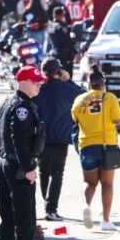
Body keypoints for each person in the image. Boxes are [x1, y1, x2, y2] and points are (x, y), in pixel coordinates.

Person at [0, 65, 47, 240]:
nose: (39, 86)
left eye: (40, 83)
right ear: (23, 83)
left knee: (8, 217)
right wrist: (28, 169)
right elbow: (18, 139)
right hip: (18, 166)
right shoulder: (22, 108)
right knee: (25, 219)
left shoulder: (8, 102)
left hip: (6, 163)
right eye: (35, 83)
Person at [71, 65, 120, 231]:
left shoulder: (80, 100)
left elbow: (74, 118)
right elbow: (117, 120)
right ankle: (106, 221)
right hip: (107, 145)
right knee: (107, 184)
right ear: (103, 83)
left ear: (89, 83)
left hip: (86, 145)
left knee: (89, 182)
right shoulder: (110, 98)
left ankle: (86, 205)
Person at [33, 58, 83, 221]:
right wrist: (69, 80)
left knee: (44, 171)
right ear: (58, 71)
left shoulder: (37, 88)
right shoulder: (66, 88)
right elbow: (84, 97)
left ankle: (47, 206)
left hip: (40, 138)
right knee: (56, 173)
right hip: (60, 138)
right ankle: (51, 208)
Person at [46, 7, 77, 77]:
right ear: (63, 15)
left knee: (56, 74)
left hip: (54, 53)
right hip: (64, 54)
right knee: (66, 74)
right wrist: (74, 52)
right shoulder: (61, 27)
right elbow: (66, 41)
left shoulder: (50, 27)